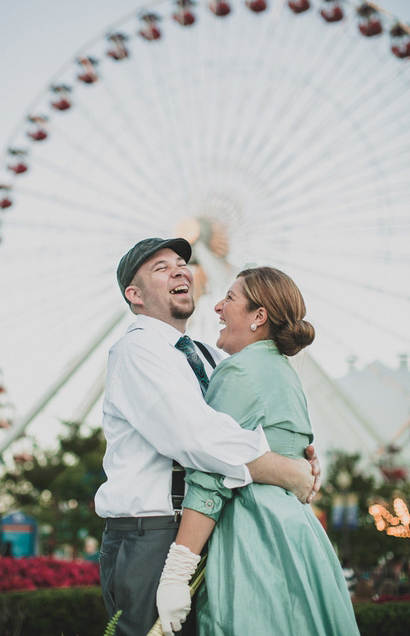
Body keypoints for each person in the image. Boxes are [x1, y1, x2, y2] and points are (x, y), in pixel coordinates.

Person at [95, 238, 321, 636]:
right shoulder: (136, 351)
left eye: (182, 262)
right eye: (161, 268)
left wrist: (299, 456)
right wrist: (284, 469)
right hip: (150, 533)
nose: (180, 270)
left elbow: (251, 426)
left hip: (208, 527)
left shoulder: (210, 356)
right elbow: (199, 438)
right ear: (135, 295)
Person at [156, 266, 360, 636]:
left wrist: (178, 570)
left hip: (254, 535)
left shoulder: (239, 373)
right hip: (297, 534)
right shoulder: (284, 374)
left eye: (230, 298)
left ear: (259, 316)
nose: (217, 306)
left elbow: (211, 474)